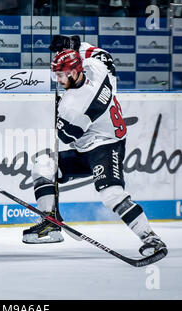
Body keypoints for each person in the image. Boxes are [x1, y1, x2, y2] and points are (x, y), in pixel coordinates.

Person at [22, 48, 167, 257]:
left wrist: (60, 121)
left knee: (111, 193)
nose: (58, 79)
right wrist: (68, 45)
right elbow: (92, 50)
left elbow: (66, 137)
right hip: (86, 149)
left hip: (106, 146)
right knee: (43, 165)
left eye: (61, 75)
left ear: (73, 72)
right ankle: (50, 221)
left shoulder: (72, 104)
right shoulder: (96, 68)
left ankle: (150, 237)